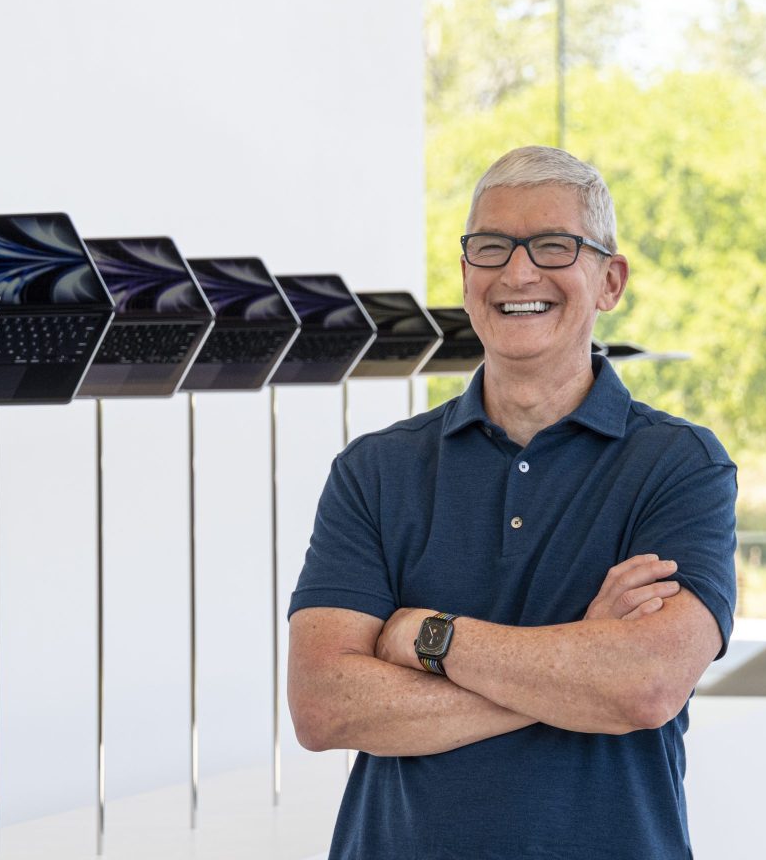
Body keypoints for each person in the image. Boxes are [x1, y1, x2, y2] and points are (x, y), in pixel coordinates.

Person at [286, 146, 737, 859]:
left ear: (609, 279)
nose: (518, 272)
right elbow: (323, 703)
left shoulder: (679, 465)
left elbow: (645, 686)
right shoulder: (374, 470)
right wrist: (578, 669)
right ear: (467, 276)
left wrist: (427, 638)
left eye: (554, 246)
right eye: (491, 248)